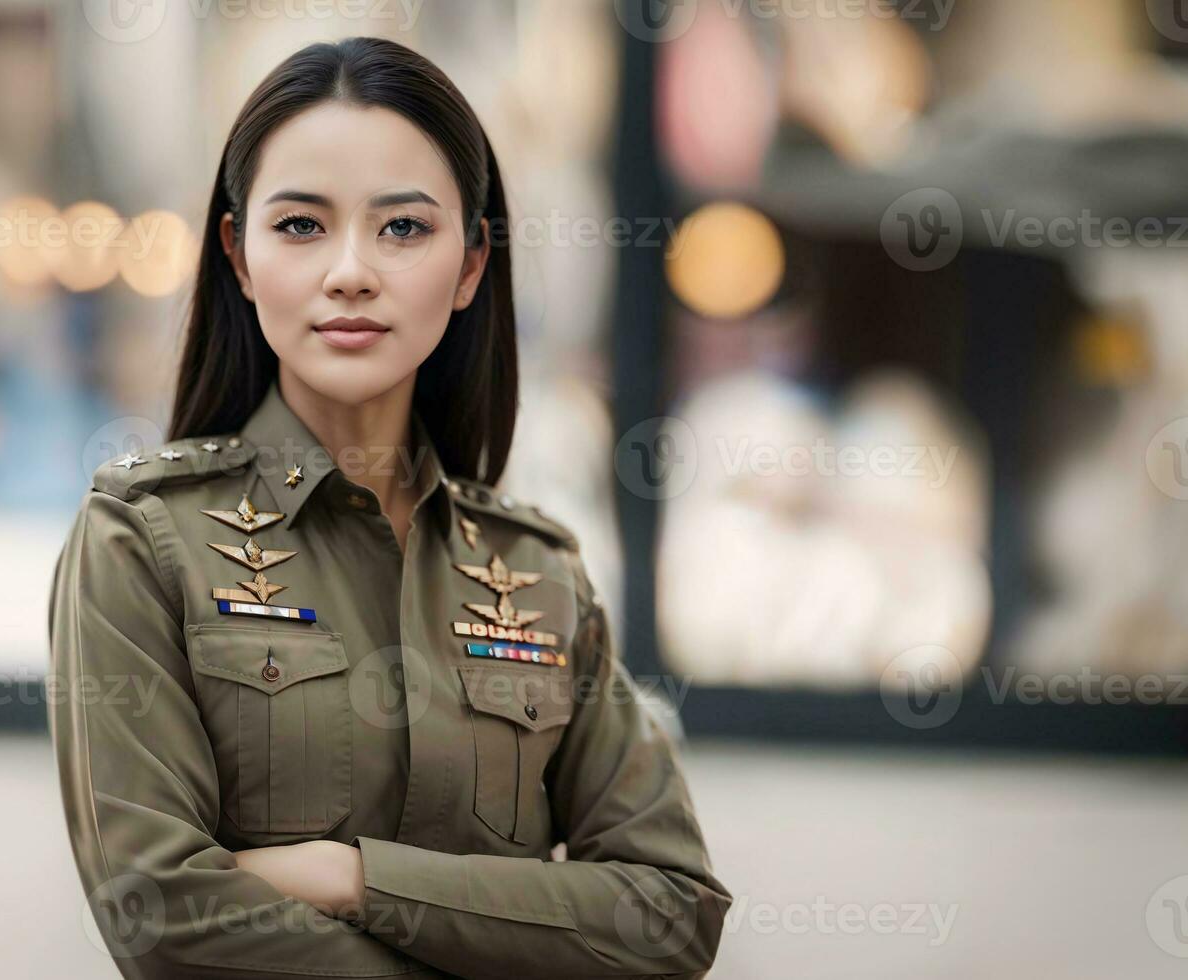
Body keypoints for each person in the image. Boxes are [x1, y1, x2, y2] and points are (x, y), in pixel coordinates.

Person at [48, 35, 731, 980]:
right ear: (237, 257)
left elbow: (671, 914)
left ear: (470, 265)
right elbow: (163, 916)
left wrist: (351, 877)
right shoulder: (142, 541)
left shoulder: (537, 573)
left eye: (403, 228)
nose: (351, 271)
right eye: (300, 226)